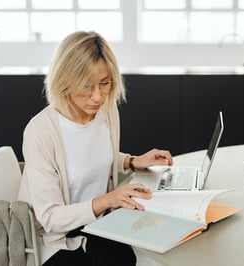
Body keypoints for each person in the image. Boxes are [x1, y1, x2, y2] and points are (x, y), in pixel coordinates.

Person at [18, 31, 173, 266]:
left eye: (105, 83)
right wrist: (108, 200)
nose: (98, 96)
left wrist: (132, 161)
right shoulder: (40, 131)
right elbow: (49, 217)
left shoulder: (107, 111)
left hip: (99, 225)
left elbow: (90, 159)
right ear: (64, 80)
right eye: (87, 86)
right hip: (57, 238)